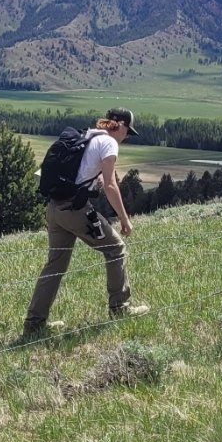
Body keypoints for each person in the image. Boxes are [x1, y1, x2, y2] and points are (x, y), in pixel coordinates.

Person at [23, 107, 150, 336]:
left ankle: (34, 325)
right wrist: (124, 219)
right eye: (127, 132)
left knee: (55, 266)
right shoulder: (109, 143)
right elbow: (110, 185)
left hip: (54, 208)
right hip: (75, 209)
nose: (127, 137)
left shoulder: (87, 135)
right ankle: (120, 308)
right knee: (116, 249)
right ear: (119, 125)